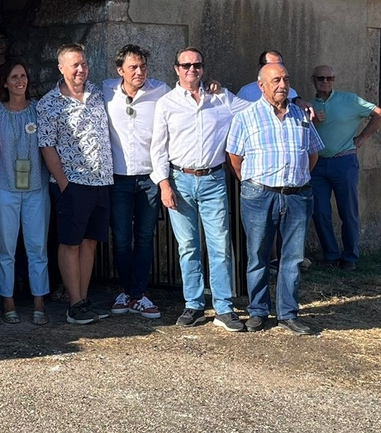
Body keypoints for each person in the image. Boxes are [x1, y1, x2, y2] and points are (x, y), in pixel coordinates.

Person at [150, 48, 250, 332]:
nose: (191, 69)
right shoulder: (167, 103)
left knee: (219, 246)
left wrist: (294, 101)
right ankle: (193, 304)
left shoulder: (221, 97)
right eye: (186, 65)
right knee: (188, 246)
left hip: (213, 180)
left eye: (196, 65)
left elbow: (255, 109)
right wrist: (164, 184)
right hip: (180, 180)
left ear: (203, 69)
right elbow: (158, 148)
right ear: (176, 69)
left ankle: (224, 307)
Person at [226, 62, 324, 335]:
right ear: (262, 86)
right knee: (257, 254)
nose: (283, 85)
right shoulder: (246, 117)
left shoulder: (300, 115)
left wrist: (297, 177)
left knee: (292, 257)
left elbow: (313, 154)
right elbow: (235, 158)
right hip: (259, 194)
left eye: (286, 79)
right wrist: (252, 183)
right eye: (276, 80)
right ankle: (258, 312)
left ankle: (288, 314)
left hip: (297, 195)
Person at [37, 43, 113, 325]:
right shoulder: (49, 103)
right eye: (74, 65)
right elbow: (47, 146)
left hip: (101, 181)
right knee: (70, 242)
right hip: (73, 183)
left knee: (90, 242)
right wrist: (64, 184)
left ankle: (84, 299)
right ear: (61, 68)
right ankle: (74, 303)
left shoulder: (98, 93)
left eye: (83, 64)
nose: (80, 69)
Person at [103, 44, 169, 320]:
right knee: (120, 238)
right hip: (117, 177)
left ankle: (138, 294)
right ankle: (127, 291)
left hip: (149, 177)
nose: (139, 71)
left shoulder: (161, 91)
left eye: (143, 66)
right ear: (120, 70)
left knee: (144, 237)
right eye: (133, 67)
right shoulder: (105, 91)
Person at [0, 59, 50, 325]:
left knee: (37, 247)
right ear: (4, 82)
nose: (19, 81)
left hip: (36, 187)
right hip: (5, 188)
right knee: (5, 247)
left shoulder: (38, 110)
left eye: (23, 76)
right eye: (14, 77)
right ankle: (8, 300)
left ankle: (39, 302)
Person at [309, 65, 381, 270]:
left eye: (329, 78)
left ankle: (350, 257)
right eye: (321, 78)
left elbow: (379, 114)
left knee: (348, 211)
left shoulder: (350, 100)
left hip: (344, 162)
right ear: (313, 80)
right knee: (320, 212)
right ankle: (331, 255)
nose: (325, 81)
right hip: (317, 164)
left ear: (334, 80)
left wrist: (362, 138)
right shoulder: (308, 106)